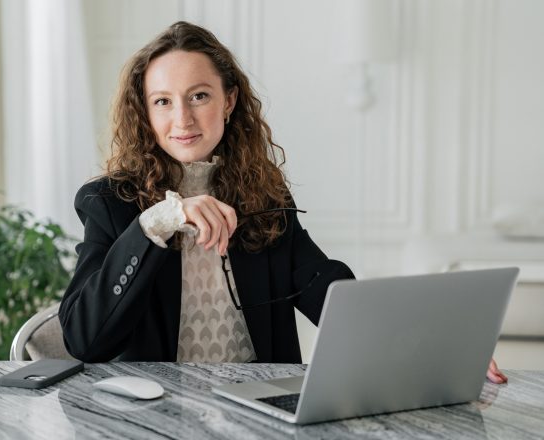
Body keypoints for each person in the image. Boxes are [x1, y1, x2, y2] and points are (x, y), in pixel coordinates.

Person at [58, 21, 507, 383]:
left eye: (199, 96)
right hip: (157, 421)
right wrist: (159, 221)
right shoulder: (111, 203)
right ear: (145, 112)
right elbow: (83, 338)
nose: (183, 118)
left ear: (229, 100)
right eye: (162, 101)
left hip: (257, 413)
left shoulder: (262, 195)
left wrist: (435, 343)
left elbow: (328, 292)